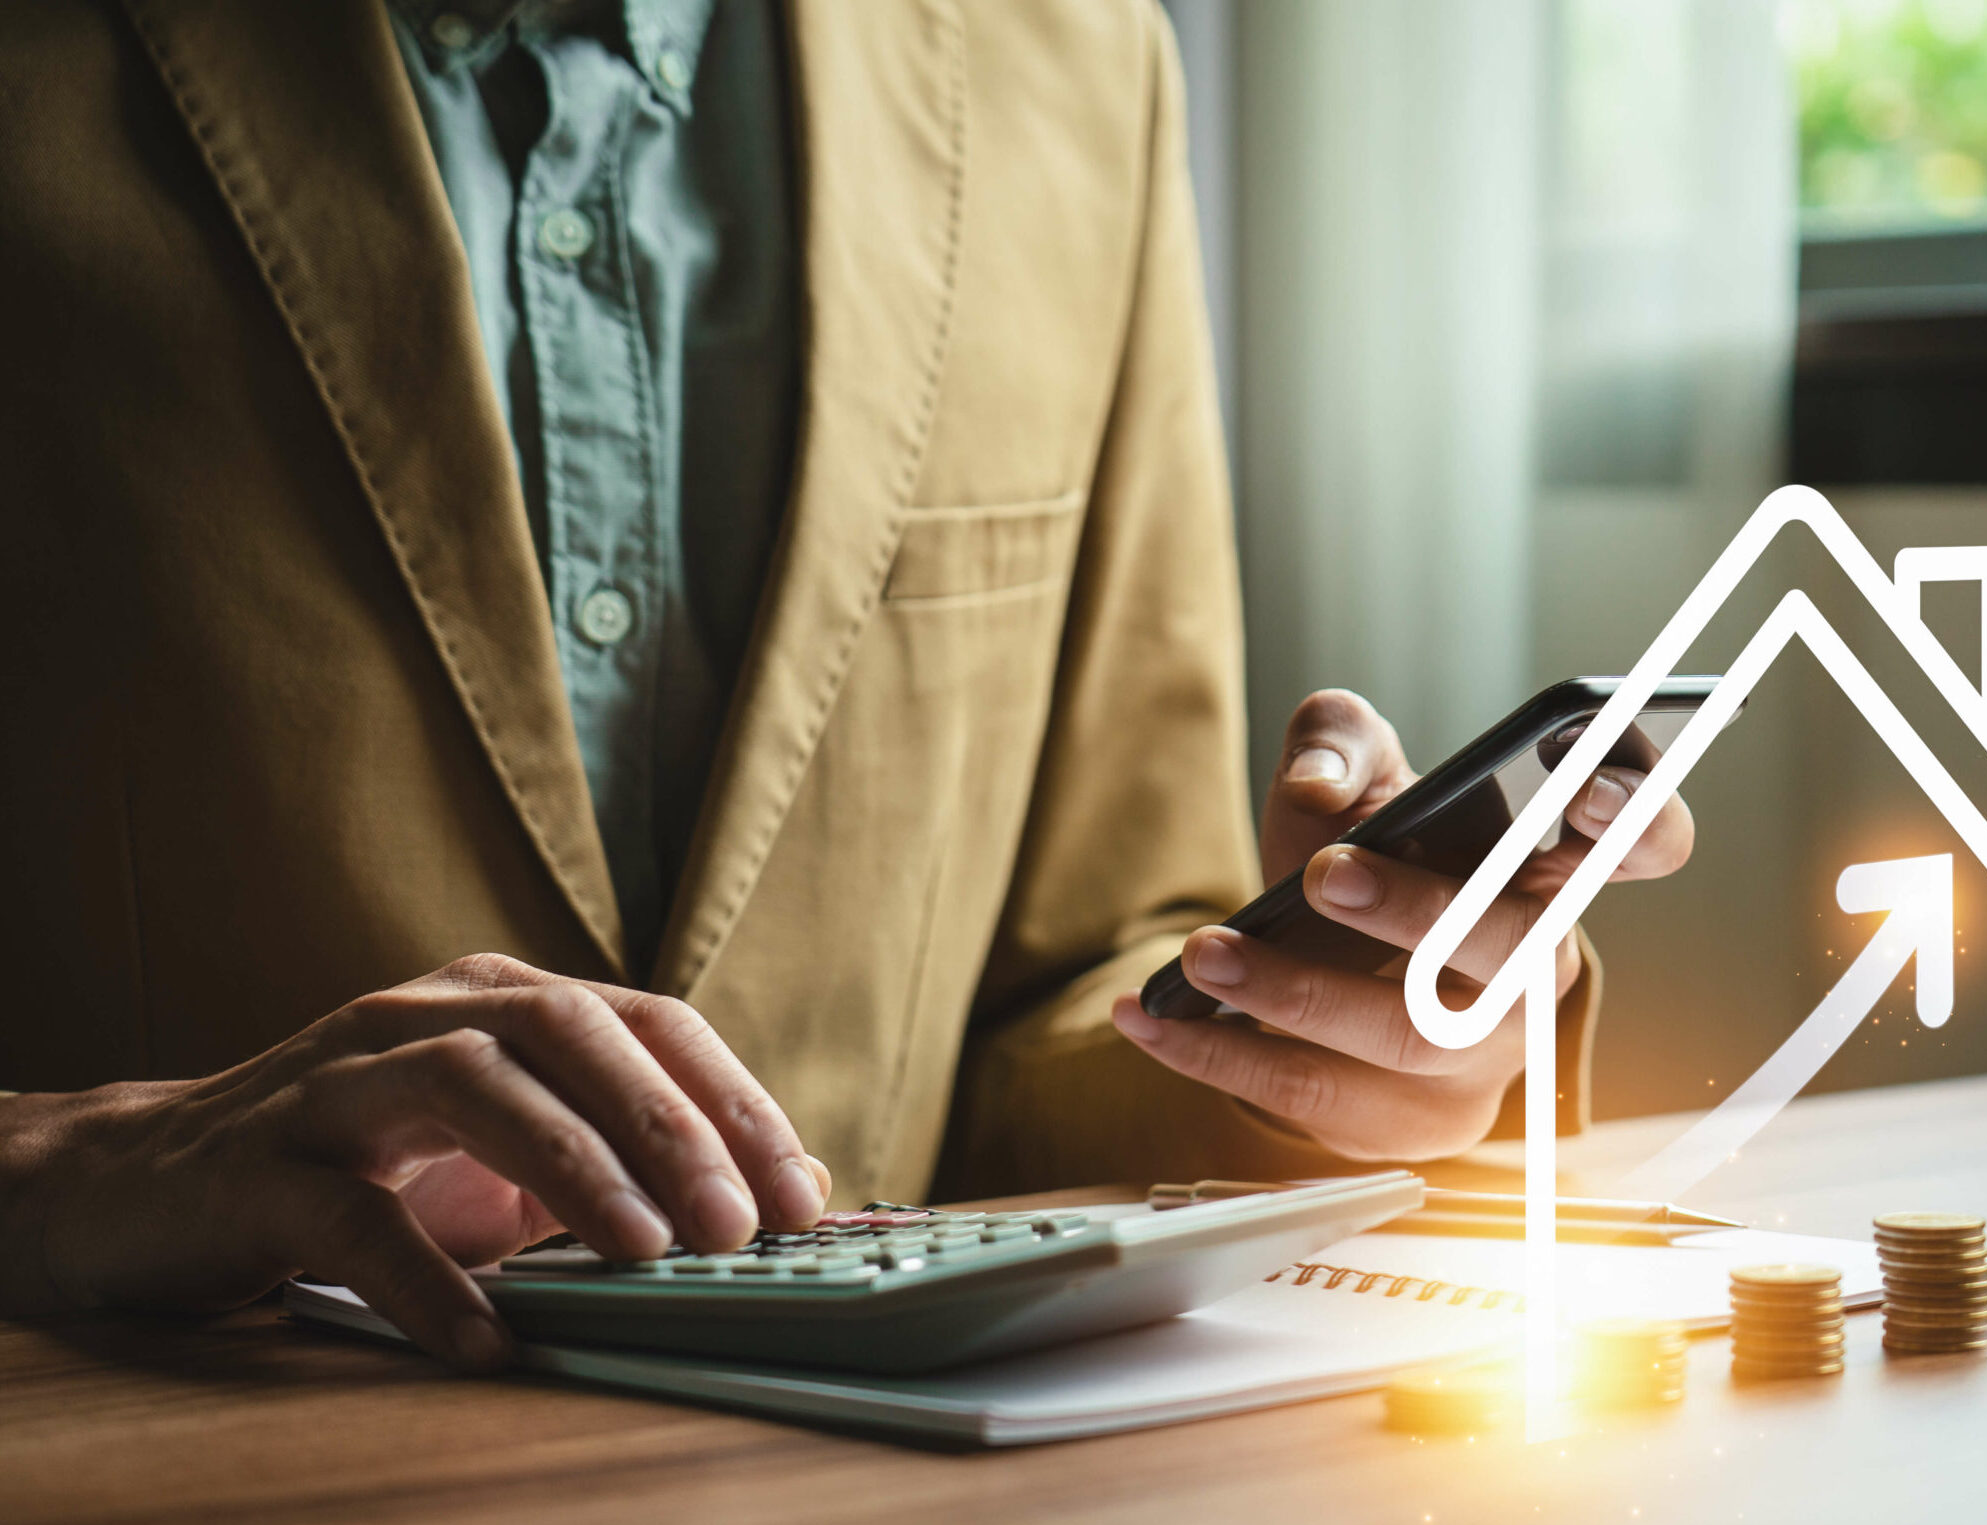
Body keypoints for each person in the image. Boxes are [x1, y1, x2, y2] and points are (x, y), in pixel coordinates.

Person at [0, 0, 1690, 1371]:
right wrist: (65, 1170)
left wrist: (1358, 1051)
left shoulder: (1074, 61)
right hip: (153, 1509)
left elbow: (1064, 1007)